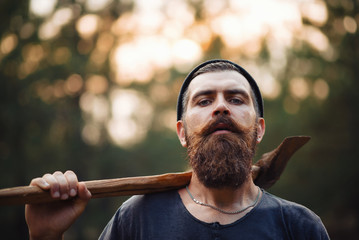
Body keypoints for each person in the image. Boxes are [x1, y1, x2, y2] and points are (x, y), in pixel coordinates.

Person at [25, 59, 329, 239]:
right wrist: (45, 238)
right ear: (182, 133)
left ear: (259, 129)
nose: (221, 106)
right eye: (204, 100)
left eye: (236, 99)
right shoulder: (137, 219)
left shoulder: (299, 227)